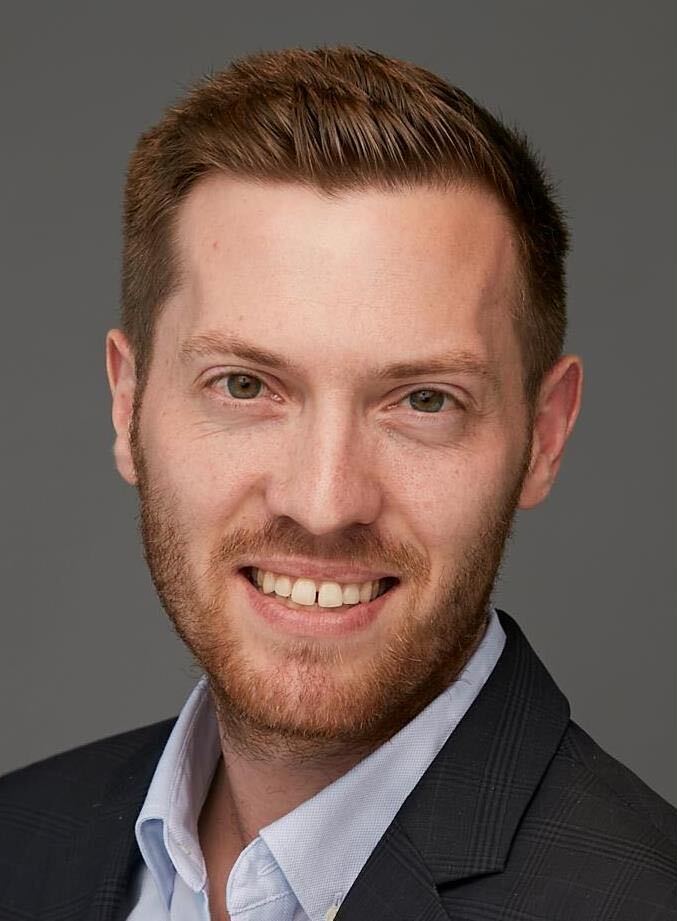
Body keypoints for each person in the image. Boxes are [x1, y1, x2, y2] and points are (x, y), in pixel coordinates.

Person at [0, 45, 674, 921]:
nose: (322, 502)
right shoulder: (18, 843)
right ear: (127, 403)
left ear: (543, 436)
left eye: (423, 400)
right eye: (244, 385)